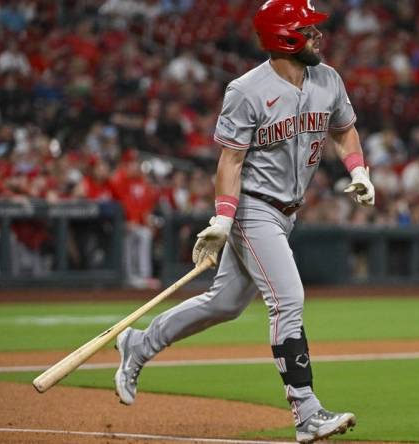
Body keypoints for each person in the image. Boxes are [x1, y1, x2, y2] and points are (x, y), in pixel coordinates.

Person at [113, 1, 373, 443]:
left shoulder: (328, 79)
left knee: (225, 303)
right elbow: (230, 161)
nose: (318, 36)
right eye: (308, 29)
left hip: (288, 211)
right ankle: (307, 413)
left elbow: (344, 128)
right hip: (254, 208)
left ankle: (140, 344)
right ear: (284, 36)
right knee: (288, 299)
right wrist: (222, 218)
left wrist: (358, 169)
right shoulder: (247, 89)